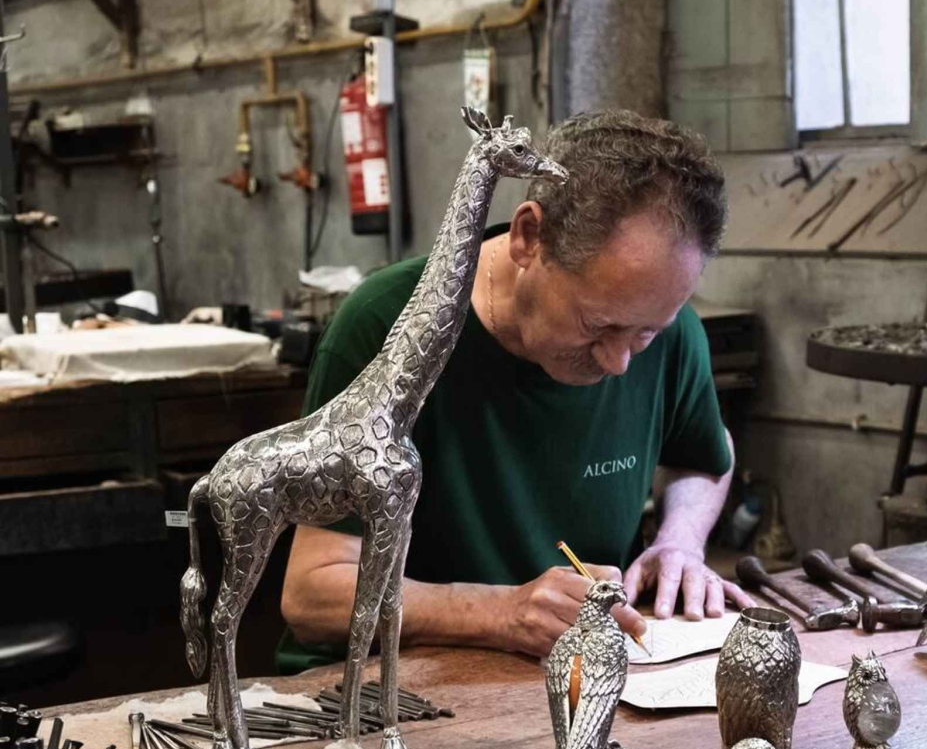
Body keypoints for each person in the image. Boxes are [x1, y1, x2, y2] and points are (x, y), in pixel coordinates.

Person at [277, 110, 750, 672]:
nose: (620, 361)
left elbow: (704, 455)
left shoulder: (673, 334)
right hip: (381, 686)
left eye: (646, 332)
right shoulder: (389, 326)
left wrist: (680, 541)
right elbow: (313, 592)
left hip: (566, 674)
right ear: (529, 237)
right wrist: (499, 612)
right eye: (597, 325)